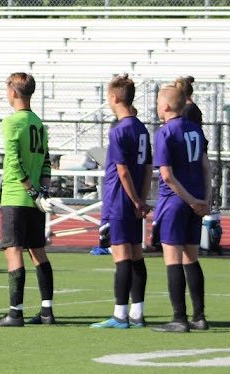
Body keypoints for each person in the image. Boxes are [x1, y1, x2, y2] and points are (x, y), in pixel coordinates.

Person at [0, 72, 55, 328]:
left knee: (13, 250)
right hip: (35, 198)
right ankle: (47, 310)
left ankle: (15, 312)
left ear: (14, 92)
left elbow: (14, 162)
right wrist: (42, 191)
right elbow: (47, 161)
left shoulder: (12, 122)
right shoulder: (38, 122)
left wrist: (30, 190)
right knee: (37, 251)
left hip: (17, 196)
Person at [91, 75, 152, 329]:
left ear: (114, 98)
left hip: (119, 199)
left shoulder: (119, 130)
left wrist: (135, 200)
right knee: (136, 255)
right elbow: (148, 167)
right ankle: (137, 313)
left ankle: (120, 314)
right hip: (134, 199)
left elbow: (122, 171)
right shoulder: (141, 128)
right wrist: (142, 198)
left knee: (122, 256)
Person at [151, 84, 211, 333]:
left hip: (175, 202)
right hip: (195, 201)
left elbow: (166, 176)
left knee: (173, 259)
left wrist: (189, 199)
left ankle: (179, 317)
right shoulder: (195, 130)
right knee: (192, 258)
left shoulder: (165, 132)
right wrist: (205, 199)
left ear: (165, 106)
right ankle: (199, 316)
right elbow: (207, 167)